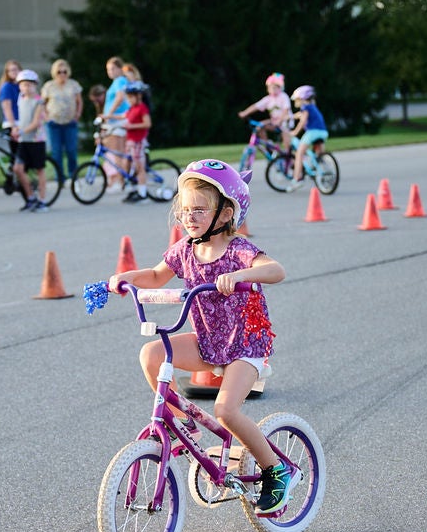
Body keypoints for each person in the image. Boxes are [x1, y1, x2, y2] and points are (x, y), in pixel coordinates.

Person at [106, 160, 291, 513]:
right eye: (185, 209)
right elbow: (158, 276)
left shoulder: (238, 249)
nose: (189, 217)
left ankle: (275, 470)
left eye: (199, 210)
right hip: (208, 342)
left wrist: (240, 276)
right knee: (151, 355)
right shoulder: (185, 249)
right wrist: (123, 277)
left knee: (225, 410)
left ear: (225, 214)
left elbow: (276, 270)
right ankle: (183, 420)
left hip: (244, 344)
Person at [11, 69, 49, 213]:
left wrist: (22, 130)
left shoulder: (39, 102)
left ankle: (43, 200)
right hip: (23, 141)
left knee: (40, 170)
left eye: (29, 84)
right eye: (23, 85)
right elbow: (22, 119)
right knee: (18, 169)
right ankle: (31, 197)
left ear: (35, 85)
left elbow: (35, 123)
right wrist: (16, 129)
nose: (26, 87)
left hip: (36, 140)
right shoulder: (21, 99)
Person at [41, 58, 83, 179]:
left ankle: (73, 175)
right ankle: (59, 177)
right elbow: (42, 103)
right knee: (57, 152)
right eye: (59, 72)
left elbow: (79, 101)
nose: (62, 74)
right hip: (54, 123)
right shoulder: (49, 86)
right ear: (55, 72)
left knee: (71, 150)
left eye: (64, 71)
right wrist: (46, 117)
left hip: (70, 123)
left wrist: (78, 114)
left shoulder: (73, 85)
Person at [238, 72, 292, 151]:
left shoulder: (283, 96)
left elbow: (285, 110)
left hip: (285, 121)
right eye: (270, 87)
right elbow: (255, 106)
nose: (272, 90)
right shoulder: (268, 99)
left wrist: (280, 120)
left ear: (280, 88)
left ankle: (288, 156)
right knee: (260, 126)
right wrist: (245, 113)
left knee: (285, 136)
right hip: (274, 121)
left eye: (274, 87)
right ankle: (268, 146)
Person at [288, 85, 328, 189]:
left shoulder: (305, 107)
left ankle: (297, 179)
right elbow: (300, 115)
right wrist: (290, 116)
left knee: (299, 154)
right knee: (318, 154)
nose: (296, 102)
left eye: (297, 99)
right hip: (323, 132)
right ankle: (322, 168)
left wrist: (295, 132)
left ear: (302, 98)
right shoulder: (312, 106)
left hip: (312, 132)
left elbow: (303, 120)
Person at [100, 56, 130, 185]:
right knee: (118, 153)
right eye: (108, 69)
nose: (110, 71)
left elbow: (119, 98)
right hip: (115, 121)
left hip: (117, 121)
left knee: (118, 153)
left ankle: (120, 180)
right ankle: (120, 179)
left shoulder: (120, 81)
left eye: (112, 68)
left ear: (119, 68)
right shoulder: (117, 82)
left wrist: (109, 114)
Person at [121, 82, 151, 204]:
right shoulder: (132, 109)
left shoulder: (142, 108)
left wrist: (132, 126)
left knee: (139, 167)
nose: (128, 99)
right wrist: (107, 117)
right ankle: (134, 190)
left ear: (138, 96)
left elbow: (147, 124)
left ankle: (143, 194)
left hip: (138, 141)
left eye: (130, 97)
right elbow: (122, 117)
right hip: (130, 141)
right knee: (127, 164)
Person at [0, 59, 22, 132]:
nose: (14, 72)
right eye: (11, 70)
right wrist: (13, 126)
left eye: (15, 69)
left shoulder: (22, 86)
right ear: (7, 73)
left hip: (23, 122)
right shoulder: (7, 87)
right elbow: (7, 108)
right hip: (13, 123)